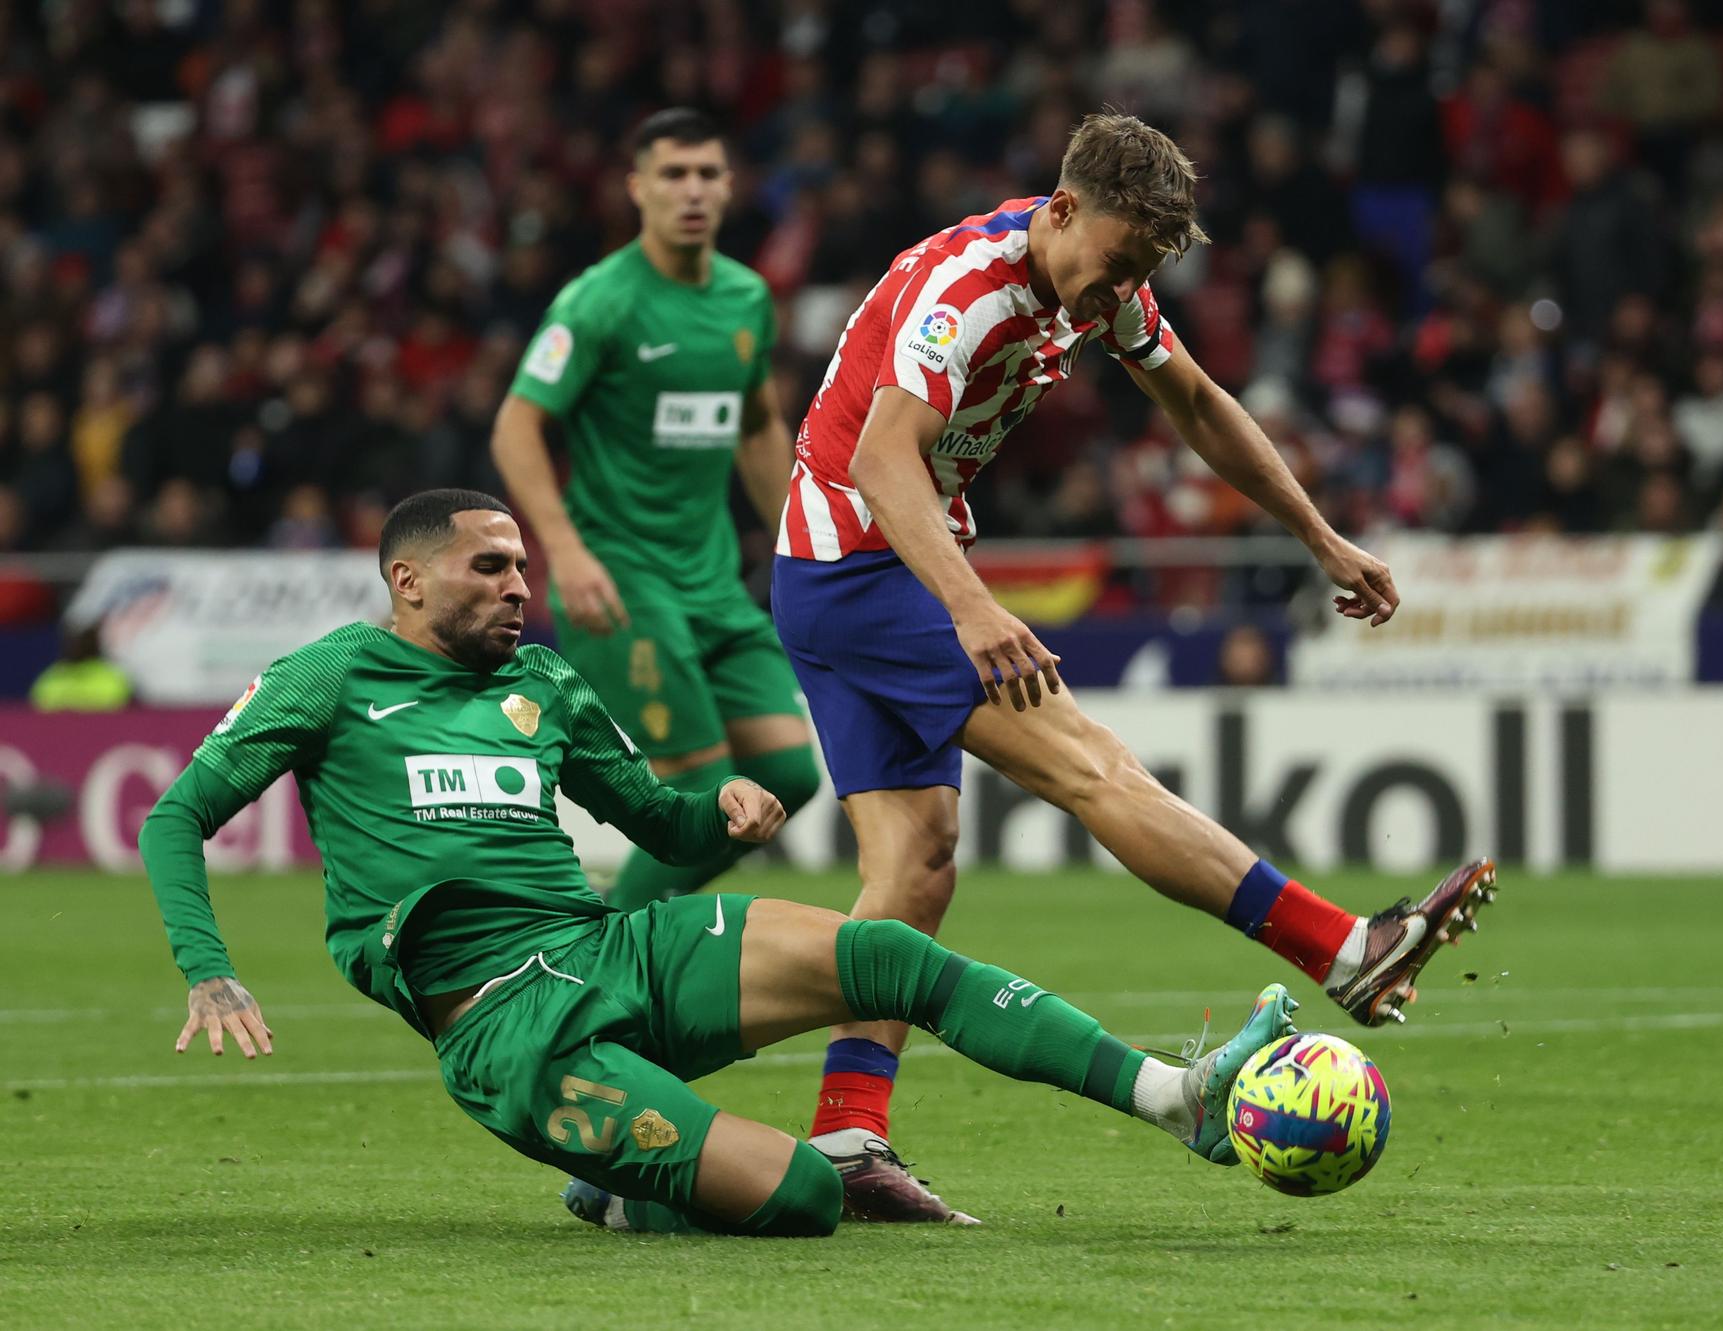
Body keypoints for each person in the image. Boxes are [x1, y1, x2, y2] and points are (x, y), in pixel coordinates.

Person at [136, 489, 1305, 1237]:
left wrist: (722, 815)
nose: (518, 587)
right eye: (489, 567)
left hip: (607, 949)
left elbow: (658, 824)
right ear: (407, 580)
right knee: (803, 1198)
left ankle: (1178, 1098)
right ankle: (625, 1183)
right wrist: (208, 965)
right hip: (507, 1029)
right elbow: (174, 816)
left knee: (887, 952)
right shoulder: (328, 677)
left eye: (521, 569)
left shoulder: (538, 684)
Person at [771, 112, 1499, 1223]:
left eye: (1141, 270)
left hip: (849, 572)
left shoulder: (1100, 285)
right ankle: (1340, 944)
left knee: (915, 865)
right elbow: (880, 458)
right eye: (1115, 259)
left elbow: (1198, 404)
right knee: (1091, 766)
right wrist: (970, 609)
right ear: (1060, 210)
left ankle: (845, 1132)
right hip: (867, 565)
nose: (1113, 289)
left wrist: (1319, 537)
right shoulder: (965, 286)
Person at [491, 108, 820, 912]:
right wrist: (564, 551)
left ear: (732, 186)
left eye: (708, 173)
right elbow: (516, 423)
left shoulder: (746, 299)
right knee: (707, 789)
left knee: (787, 776)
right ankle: (609, 952)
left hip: (711, 583)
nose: (693, 190)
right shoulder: (599, 302)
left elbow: (756, 425)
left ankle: (612, 920)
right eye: (673, 174)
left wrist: (800, 543)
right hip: (622, 581)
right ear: (638, 188)